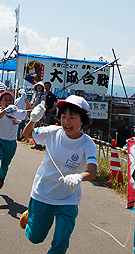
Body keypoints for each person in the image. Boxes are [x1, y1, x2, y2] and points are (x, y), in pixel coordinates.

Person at [20, 95, 97, 254]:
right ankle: (31, 215)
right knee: (35, 238)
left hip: (68, 198)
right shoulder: (52, 132)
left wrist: (78, 177)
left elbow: (92, 171)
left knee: (61, 241)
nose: (67, 122)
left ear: (82, 120)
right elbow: (26, 134)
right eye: (63, 116)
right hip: (43, 193)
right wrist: (33, 119)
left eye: (72, 117)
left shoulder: (87, 143)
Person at [0, 90, 26, 200]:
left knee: (4, 167)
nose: (8, 101)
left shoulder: (16, 112)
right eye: (5, 100)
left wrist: (25, 99)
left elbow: (28, 112)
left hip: (11, 144)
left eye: (10, 100)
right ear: (0, 102)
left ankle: (1, 178)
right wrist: (6, 111)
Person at [30, 81, 46, 149]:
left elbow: (43, 104)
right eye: (37, 86)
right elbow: (32, 101)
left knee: (38, 129)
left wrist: (42, 114)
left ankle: (39, 144)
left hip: (39, 113)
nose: (38, 87)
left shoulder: (43, 95)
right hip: (33, 112)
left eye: (40, 86)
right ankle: (35, 143)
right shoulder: (34, 94)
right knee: (34, 128)